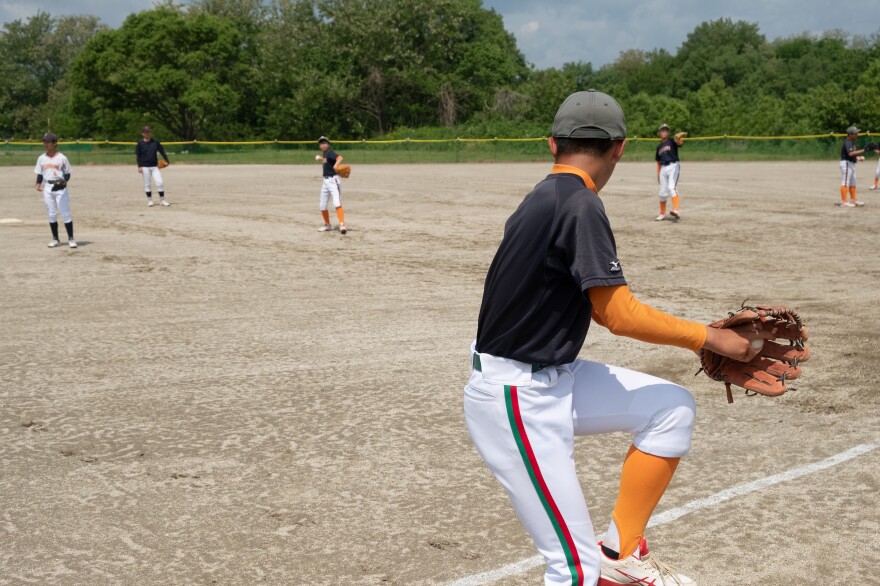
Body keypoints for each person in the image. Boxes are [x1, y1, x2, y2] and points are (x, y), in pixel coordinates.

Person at [464, 90, 769, 586]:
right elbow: (619, 315)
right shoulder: (581, 203)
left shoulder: (544, 195)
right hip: (516, 396)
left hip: (548, 376)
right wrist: (710, 338)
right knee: (573, 571)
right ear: (620, 148)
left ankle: (620, 551)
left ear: (551, 144)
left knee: (670, 407)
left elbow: (602, 310)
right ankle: (598, 566)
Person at [34, 132, 76, 249]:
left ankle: (71, 239)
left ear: (55, 143)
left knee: (65, 213)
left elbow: (67, 173)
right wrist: (38, 183)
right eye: (44, 142)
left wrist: (63, 183)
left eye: (48, 142)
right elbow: (40, 173)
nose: (46, 144)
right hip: (48, 188)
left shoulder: (62, 158)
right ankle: (55, 238)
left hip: (60, 187)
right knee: (51, 214)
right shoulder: (41, 158)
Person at [316, 136, 347, 234]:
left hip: (333, 181)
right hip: (325, 182)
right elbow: (326, 160)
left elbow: (340, 157)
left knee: (337, 203)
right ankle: (327, 225)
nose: (323, 145)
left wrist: (335, 165)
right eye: (321, 143)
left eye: (325, 143)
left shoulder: (330, 152)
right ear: (320, 146)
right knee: (322, 205)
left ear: (328, 144)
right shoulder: (325, 154)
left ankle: (342, 225)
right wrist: (321, 158)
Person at [654, 123, 685, 221]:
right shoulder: (659, 147)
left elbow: (679, 143)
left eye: (666, 130)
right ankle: (662, 213)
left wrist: (679, 140)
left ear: (668, 132)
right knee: (662, 192)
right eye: (662, 130)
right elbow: (658, 162)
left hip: (673, 165)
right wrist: (658, 173)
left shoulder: (672, 141)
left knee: (672, 187)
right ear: (659, 133)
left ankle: (676, 209)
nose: (664, 132)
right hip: (663, 168)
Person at [136, 125, 171, 207]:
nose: (147, 133)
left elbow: (162, 151)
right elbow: (138, 155)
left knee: (160, 182)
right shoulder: (140, 143)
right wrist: (139, 166)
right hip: (145, 166)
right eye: (145, 132)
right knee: (147, 184)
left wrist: (167, 161)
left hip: (155, 166)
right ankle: (150, 200)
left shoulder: (155, 142)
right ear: (142, 134)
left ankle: (162, 200)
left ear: (151, 133)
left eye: (149, 132)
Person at [839, 125, 866, 207]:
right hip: (846, 164)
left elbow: (850, 155)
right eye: (855, 133)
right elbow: (850, 153)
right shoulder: (848, 142)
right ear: (851, 134)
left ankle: (853, 200)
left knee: (853, 183)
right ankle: (844, 201)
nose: (857, 134)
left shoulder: (851, 142)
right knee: (845, 182)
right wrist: (864, 150)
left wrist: (858, 157)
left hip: (851, 163)